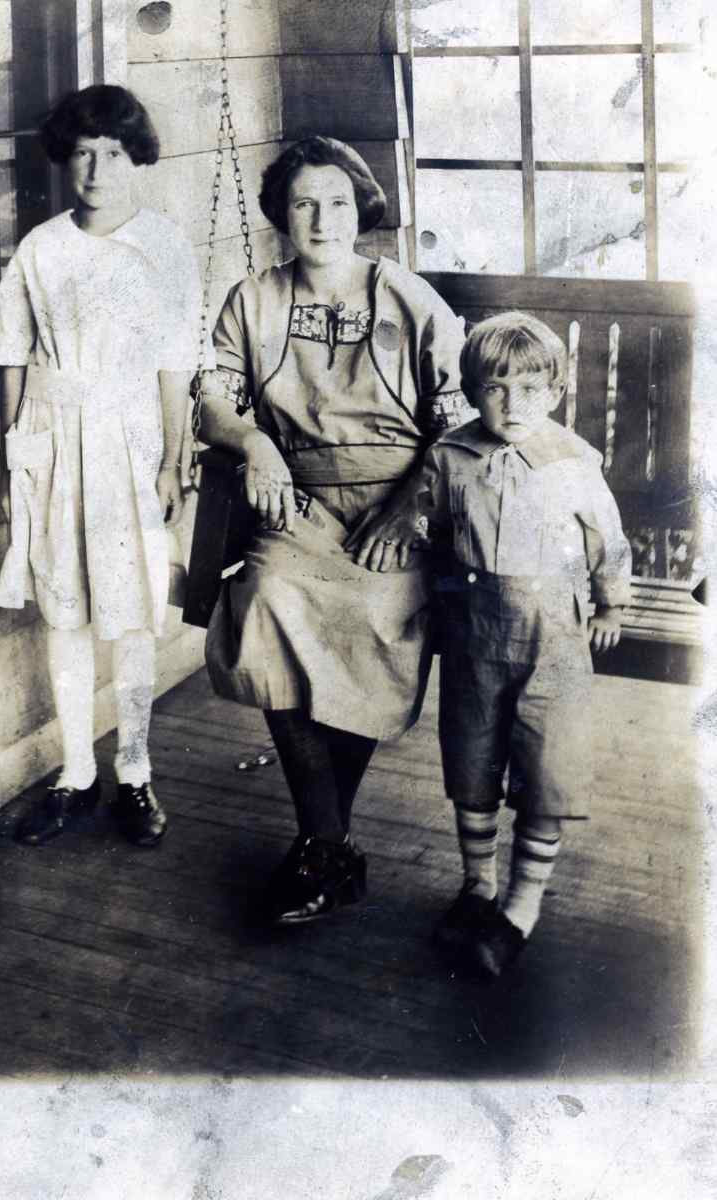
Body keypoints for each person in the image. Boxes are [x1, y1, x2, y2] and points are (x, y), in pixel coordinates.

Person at [198, 136, 467, 924]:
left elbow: (458, 427)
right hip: (299, 504)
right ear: (282, 215)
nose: (322, 219)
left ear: (362, 210)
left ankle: (323, 845)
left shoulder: (408, 297)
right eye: (304, 203)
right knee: (266, 599)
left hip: (400, 504)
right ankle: (327, 841)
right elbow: (213, 399)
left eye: (338, 203)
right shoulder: (253, 299)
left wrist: (410, 508)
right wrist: (253, 444)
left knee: (375, 618)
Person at [0, 85, 205, 847]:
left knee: (132, 609)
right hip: (53, 438)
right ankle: (77, 773)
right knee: (66, 608)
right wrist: (15, 453)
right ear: (65, 160)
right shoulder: (41, 249)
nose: (96, 170)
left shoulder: (164, 247)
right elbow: (12, 351)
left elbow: (177, 364)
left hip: (131, 440)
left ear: (135, 158)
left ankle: (135, 769)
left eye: (113, 153)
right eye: (83, 153)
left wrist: (173, 459)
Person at [421, 311, 632, 977]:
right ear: (472, 391)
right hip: (475, 637)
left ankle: (522, 905)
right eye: (495, 388)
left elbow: (606, 538)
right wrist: (442, 601)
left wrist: (611, 602)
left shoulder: (572, 463)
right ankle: (478, 886)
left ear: (556, 391)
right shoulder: (451, 457)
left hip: (553, 639)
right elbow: (434, 533)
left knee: (546, 767)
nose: (513, 405)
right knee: (473, 759)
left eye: (531, 389)